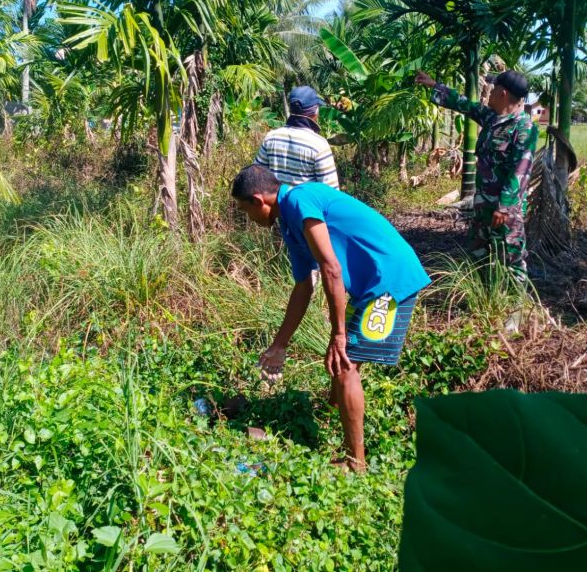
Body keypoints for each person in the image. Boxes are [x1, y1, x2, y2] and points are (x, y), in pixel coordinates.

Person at [231, 165, 431, 472]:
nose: (249, 218)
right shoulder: (289, 224)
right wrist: (279, 344)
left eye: (245, 211)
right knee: (339, 361)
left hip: (388, 280)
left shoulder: (299, 200)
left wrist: (338, 334)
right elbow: (303, 287)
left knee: (344, 364)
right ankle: (329, 423)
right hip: (368, 288)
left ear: (259, 201)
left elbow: (331, 269)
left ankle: (355, 463)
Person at [415, 69, 539, 286]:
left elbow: (520, 171)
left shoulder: (523, 128)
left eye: (493, 88)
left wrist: (504, 207)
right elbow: (464, 104)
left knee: (511, 260)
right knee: (477, 255)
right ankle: (483, 296)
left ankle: (514, 302)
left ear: (502, 93)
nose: (489, 92)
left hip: (505, 212)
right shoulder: (492, 117)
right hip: (483, 206)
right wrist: (434, 85)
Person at [254, 86, 339, 189]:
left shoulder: (271, 137)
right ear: (316, 111)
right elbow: (331, 190)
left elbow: (257, 176)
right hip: (305, 200)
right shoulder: (319, 145)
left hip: (277, 199)